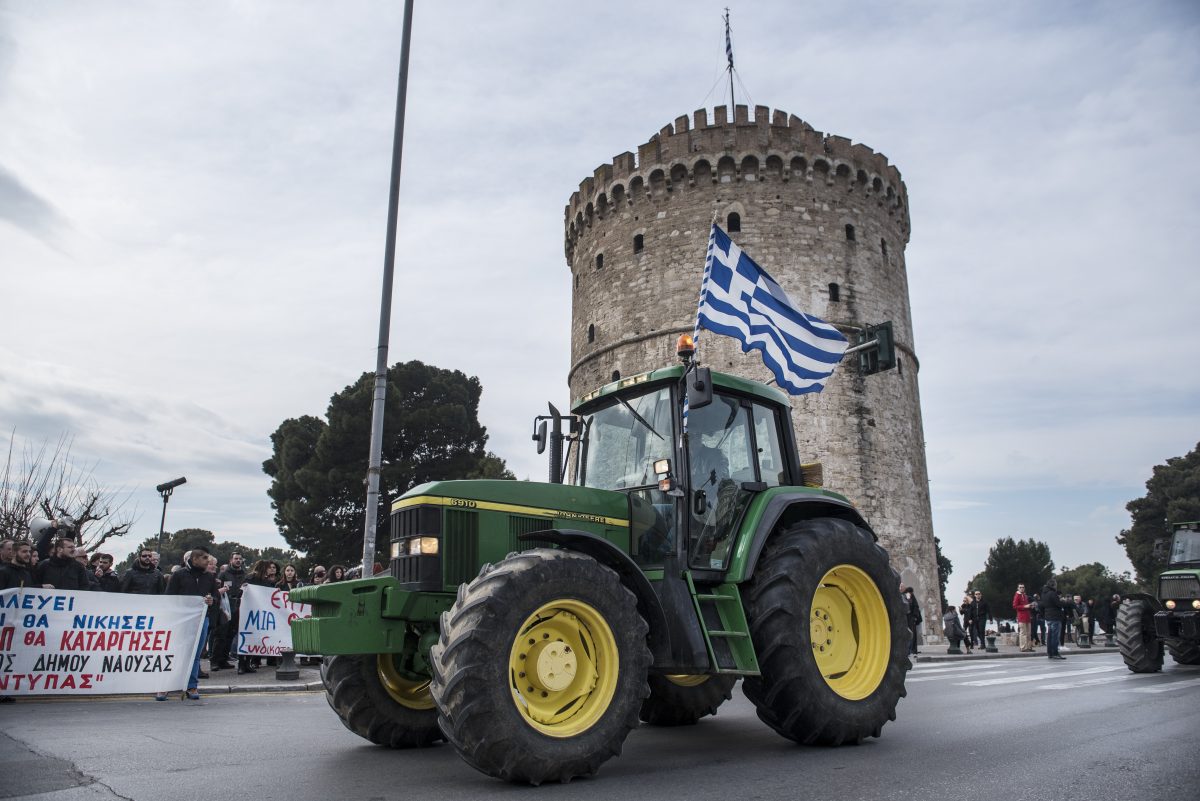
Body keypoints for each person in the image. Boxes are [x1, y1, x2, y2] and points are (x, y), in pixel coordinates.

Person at [161, 547, 219, 700]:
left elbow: (216, 596)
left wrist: (212, 600)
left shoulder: (209, 577)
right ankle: (165, 686)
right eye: (205, 558)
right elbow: (169, 597)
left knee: (195, 654)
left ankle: (192, 686)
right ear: (195, 559)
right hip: (181, 620)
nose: (208, 561)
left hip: (201, 620)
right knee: (174, 652)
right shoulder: (179, 575)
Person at [217, 552, 249, 673]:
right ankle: (216, 660)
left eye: (240, 559)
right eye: (236, 559)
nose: (238, 561)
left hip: (239, 606)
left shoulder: (245, 575)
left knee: (232, 633)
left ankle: (225, 658)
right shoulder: (224, 574)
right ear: (231, 560)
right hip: (226, 606)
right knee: (221, 634)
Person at [1040, 579, 1075, 660]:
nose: (1056, 586)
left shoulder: (1044, 593)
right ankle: (1055, 653)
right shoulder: (1052, 593)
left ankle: (1050, 653)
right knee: (1055, 636)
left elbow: (1043, 604)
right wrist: (1067, 602)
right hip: (1055, 616)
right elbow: (1058, 604)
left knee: (1050, 636)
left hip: (1048, 616)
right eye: (1056, 585)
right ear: (1053, 585)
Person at [1013, 583, 1033, 652]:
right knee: (1023, 633)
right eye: (1020, 587)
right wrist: (1025, 606)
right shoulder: (1017, 596)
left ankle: (1029, 647)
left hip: (1027, 616)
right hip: (1021, 617)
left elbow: (1025, 605)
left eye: (1023, 587)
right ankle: (1023, 647)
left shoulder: (1024, 595)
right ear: (1018, 588)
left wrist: (1030, 606)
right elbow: (1015, 606)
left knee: (1028, 633)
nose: (1022, 588)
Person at [902, 586, 922, 655]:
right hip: (910, 618)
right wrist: (915, 616)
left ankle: (911, 650)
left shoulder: (904, 595)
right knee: (912, 634)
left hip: (908, 617)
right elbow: (910, 604)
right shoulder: (908, 594)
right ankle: (912, 650)